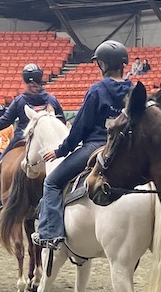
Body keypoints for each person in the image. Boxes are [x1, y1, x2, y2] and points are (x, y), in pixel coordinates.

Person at [32, 41, 132, 249]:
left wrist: (61, 150)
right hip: (124, 149)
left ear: (102, 64)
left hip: (95, 146)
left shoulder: (97, 90)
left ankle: (50, 233)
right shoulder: (132, 89)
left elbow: (79, 128)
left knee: (51, 182)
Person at [0, 64, 65, 162]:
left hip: (21, 138)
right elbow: (62, 122)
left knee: (2, 162)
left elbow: (4, 121)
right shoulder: (51, 100)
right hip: (45, 139)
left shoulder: (19, 101)